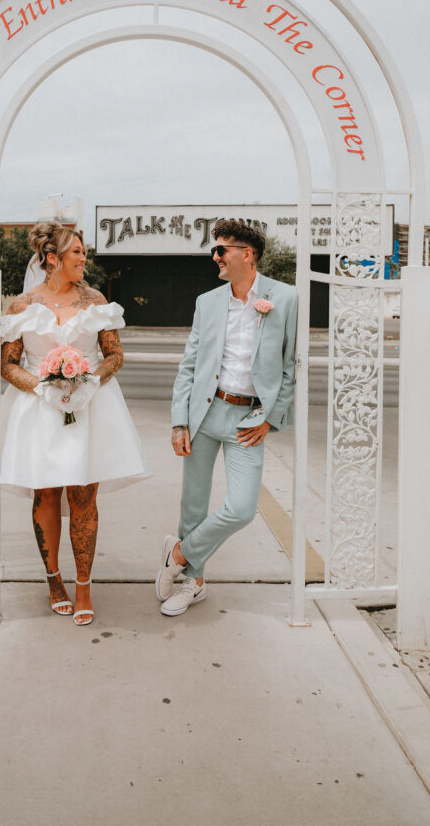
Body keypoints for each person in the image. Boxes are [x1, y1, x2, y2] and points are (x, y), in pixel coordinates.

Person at [0, 222, 150, 625]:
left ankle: (83, 584)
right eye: (78, 253)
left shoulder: (95, 300)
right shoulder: (22, 306)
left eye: (84, 253)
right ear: (53, 258)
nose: (85, 259)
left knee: (84, 497)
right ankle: (53, 579)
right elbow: (8, 364)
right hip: (39, 411)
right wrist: (42, 386)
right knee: (45, 496)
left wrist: (90, 380)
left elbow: (114, 355)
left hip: (88, 407)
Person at [156, 218, 297, 616]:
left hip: (248, 419)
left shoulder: (286, 299)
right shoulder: (208, 301)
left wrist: (270, 417)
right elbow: (189, 365)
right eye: (214, 250)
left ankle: (180, 554)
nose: (215, 257)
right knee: (194, 504)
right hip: (204, 412)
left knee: (241, 508)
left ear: (247, 254)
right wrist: (178, 421)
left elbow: (290, 367)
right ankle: (193, 583)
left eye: (221, 250)